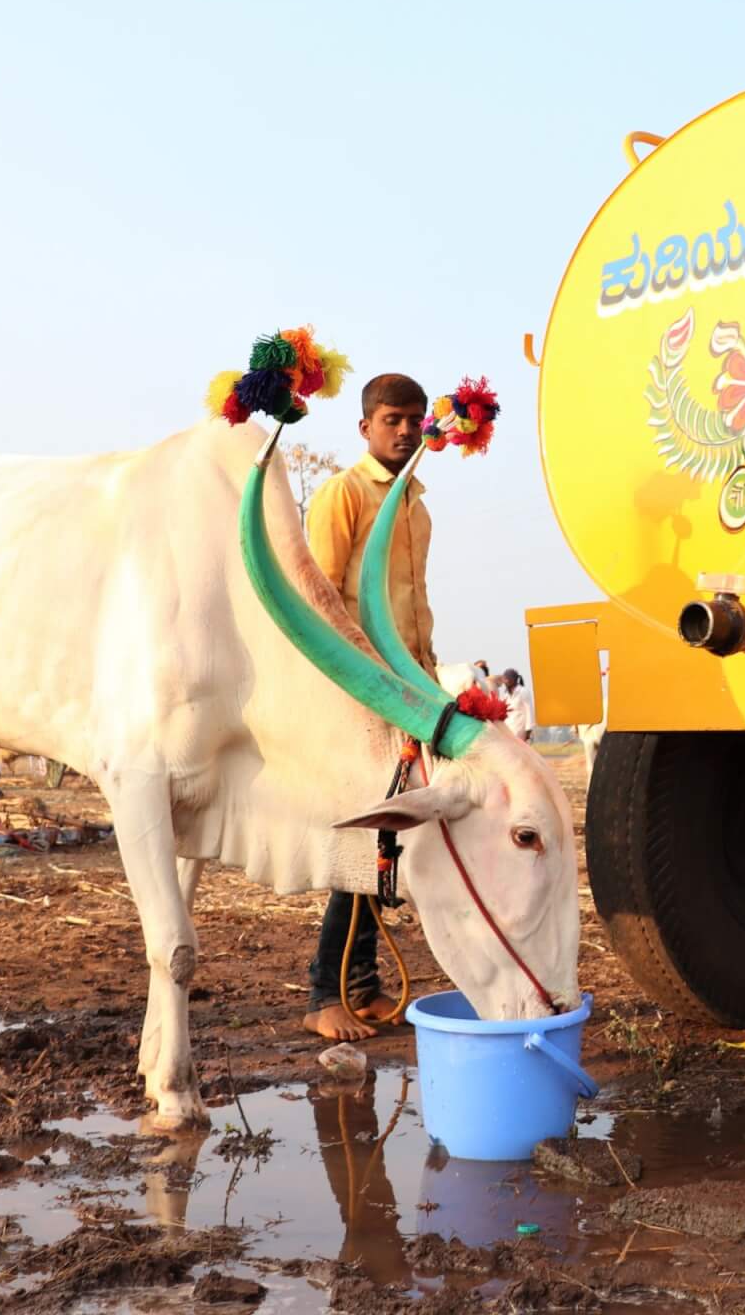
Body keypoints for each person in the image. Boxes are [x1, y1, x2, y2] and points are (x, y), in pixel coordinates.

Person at [302, 372, 438, 1041]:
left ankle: (364, 987)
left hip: (410, 697)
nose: (407, 430)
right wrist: (355, 687)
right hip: (358, 695)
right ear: (365, 427)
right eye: (393, 419)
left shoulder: (417, 504)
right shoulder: (344, 495)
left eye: (415, 418)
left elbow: (415, 610)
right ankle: (324, 994)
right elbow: (319, 600)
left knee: (386, 848)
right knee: (361, 846)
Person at [496, 668, 535, 744]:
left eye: (506, 679)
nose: (505, 682)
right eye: (504, 679)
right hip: (508, 728)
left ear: (513, 680)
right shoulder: (506, 694)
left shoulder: (523, 691)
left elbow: (529, 711)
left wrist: (529, 730)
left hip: (520, 729)